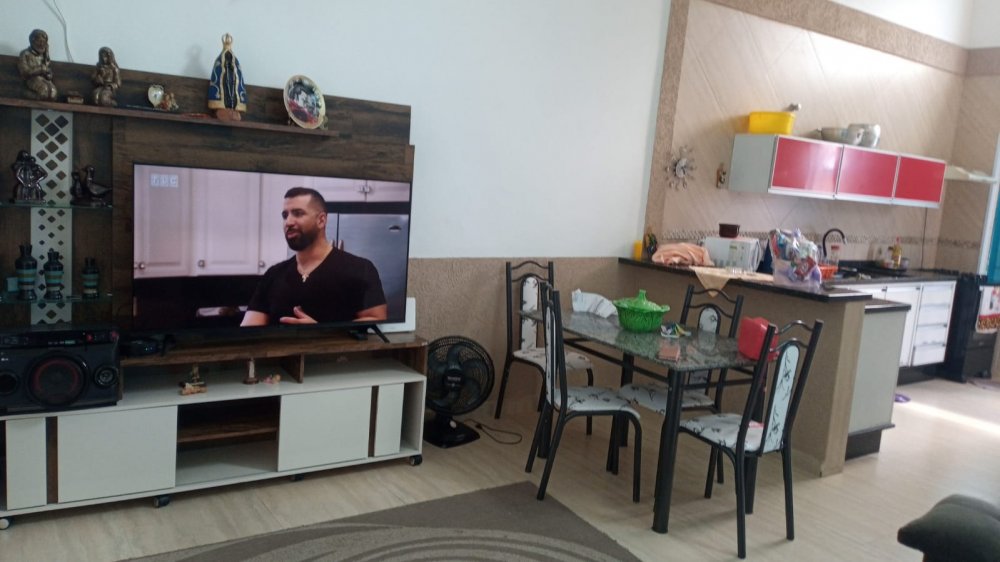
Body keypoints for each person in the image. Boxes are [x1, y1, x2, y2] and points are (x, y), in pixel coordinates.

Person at [241, 187, 387, 326]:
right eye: (285, 215)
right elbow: (249, 328)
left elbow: (376, 321)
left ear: (321, 220)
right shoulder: (273, 274)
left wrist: (321, 332)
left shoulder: (360, 269)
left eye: (298, 213)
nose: (288, 222)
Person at [207, 33, 247, 120]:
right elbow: (217, 76)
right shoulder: (219, 61)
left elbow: (238, 77)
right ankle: (223, 108)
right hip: (224, 86)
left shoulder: (235, 61)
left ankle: (232, 109)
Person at [18, 29, 57, 101]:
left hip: (43, 80)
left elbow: (48, 72)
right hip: (31, 80)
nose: (42, 44)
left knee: (53, 93)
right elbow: (24, 72)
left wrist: (48, 74)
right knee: (44, 90)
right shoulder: (25, 54)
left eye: (44, 42)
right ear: (32, 41)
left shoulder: (44, 56)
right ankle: (26, 94)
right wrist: (40, 69)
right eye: (39, 41)